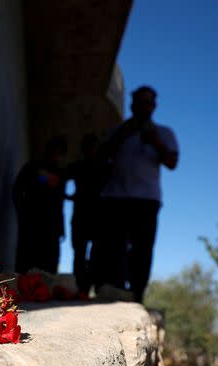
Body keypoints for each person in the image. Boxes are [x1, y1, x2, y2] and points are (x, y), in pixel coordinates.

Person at [95, 85, 179, 302]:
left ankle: (136, 294)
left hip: (146, 200)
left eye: (147, 103)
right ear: (132, 105)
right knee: (113, 247)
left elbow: (172, 162)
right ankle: (112, 290)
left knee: (142, 250)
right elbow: (101, 156)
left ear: (154, 106)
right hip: (115, 198)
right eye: (139, 102)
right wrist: (123, 134)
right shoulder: (120, 130)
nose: (143, 107)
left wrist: (155, 142)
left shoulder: (164, 133)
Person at [13, 136, 68, 274]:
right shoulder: (33, 167)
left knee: (49, 264)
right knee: (27, 259)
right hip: (31, 222)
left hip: (51, 227)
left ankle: (45, 291)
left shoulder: (60, 174)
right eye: (56, 150)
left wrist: (61, 227)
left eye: (61, 152)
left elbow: (59, 201)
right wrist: (22, 212)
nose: (58, 155)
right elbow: (17, 189)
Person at [66, 133, 108, 295]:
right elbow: (59, 179)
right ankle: (82, 287)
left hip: (96, 216)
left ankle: (91, 286)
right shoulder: (79, 167)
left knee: (95, 253)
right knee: (81, 253)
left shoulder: (103, 168)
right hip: (83, 216)